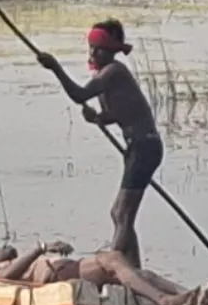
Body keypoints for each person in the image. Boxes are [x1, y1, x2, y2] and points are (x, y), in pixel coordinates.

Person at [36, 20, 162, 269]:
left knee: (122, 213)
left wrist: (55, 68)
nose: (93, 53)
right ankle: (134, 270)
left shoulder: (113, 72)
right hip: (136, 147)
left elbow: (80, 95)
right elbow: (121, 113)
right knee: (121, 215)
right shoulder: (107, 77)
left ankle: (112, 266)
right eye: (91, 47)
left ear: (112, 50)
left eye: (99, 49)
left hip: (145, 147)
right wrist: (98, 118)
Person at [0, 240, 208, 305]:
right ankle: (164, 301)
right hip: (63, 276)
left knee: (142, 275)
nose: (2, 247)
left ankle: (191, 297)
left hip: (70, 270)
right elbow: (4, 279)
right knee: (112, 258)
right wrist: (41, 248)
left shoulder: (16, 263)